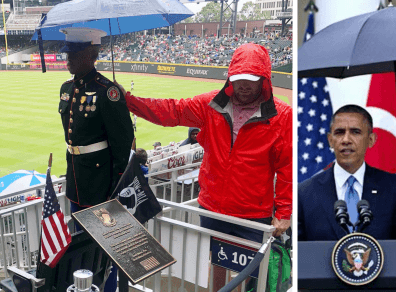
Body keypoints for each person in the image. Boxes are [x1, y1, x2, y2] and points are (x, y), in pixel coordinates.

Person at [114, 43, 291, 289]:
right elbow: (171, 111)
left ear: (265, 79)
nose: (244, 85)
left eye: (252, 79)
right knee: (217, 262)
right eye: (239, 78)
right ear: (231, 76)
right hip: (212, 207)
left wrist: (283, 214)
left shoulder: (282, 117)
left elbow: (286, 168)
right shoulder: (210, 105)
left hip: (251, 214)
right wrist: (129, 101)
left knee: (246, 275)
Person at [298, 105, 396, 250]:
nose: (346, 139)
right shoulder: (304, 193)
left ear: (371, 139)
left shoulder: (395, 188)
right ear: (330, 140)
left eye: (355, 132)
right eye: (339, 132)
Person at [58, 27, 134, 292]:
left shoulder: (108, 91)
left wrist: (115, 188)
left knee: (106, 248)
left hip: (101, 186)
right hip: (77, 181)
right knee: (79, 244)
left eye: (74, 54)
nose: (67, 59)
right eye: (67, 53)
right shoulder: (66, 88)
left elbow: (123, 144)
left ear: (91, 54)